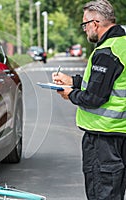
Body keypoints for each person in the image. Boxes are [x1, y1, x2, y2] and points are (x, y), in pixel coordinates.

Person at [52, 0, 126, 199]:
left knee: (103, 194)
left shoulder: (107, 52)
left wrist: (69, 93)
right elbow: (107, 83)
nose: (84, 29)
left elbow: (94, 97)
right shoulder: (122, 45)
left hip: (103, 137)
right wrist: (73, 81)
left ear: (95, 23)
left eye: (85, 24)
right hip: (120, 134)